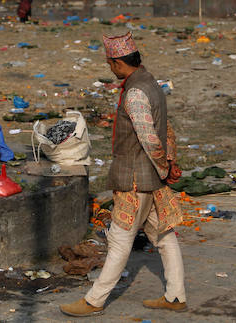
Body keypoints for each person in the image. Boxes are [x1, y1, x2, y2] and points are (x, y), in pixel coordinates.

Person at [60, 31, 185, 317]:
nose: (110, 69)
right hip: (151, 178)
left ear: (117, 62)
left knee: (119, 240)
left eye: (109, 64)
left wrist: (165, 167)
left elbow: (150, 138)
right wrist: (169, 162)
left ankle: (94, 301)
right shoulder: (151, 82)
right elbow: (167, 129)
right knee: (164, 236)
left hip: (135, 180)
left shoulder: (135, 93)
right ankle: (176, 295)